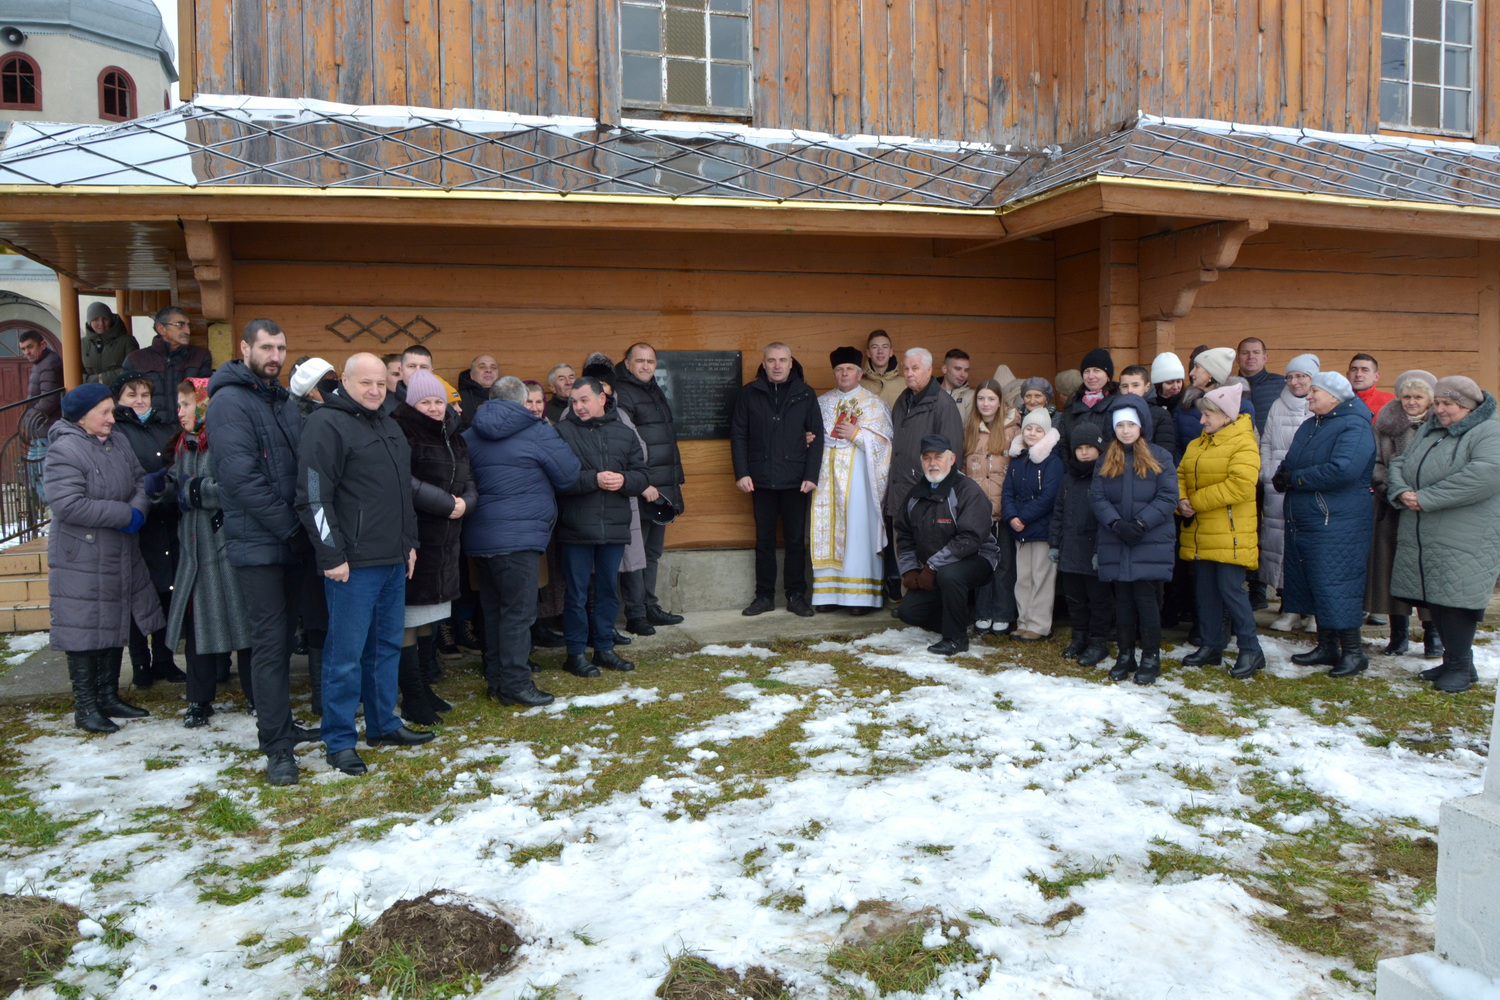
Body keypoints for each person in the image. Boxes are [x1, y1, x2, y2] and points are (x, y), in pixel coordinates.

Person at [299, 352, 431, 779]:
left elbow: (401, 494)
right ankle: (339, 741)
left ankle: (383, 725)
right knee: (345, 656)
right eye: (365, 384)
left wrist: (409, 543)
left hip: (393, 559)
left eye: (380, 383)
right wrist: (331, 554)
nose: (375, 390)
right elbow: (313, 496)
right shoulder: (327, 424)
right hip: (352, 565)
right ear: (346, 383)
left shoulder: (389, 423)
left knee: (386, 648)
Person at [209, 319, 321, 786]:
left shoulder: (280, 401)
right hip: (259, 545)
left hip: (292, 541)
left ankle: (282, 726)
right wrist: (292, 529)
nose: (275, 355)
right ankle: (276, 747)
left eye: (281, 348)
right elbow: (240, 479)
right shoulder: (229, 401)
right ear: (244, 348)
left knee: (286, 638)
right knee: (271, 646)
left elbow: (300, 468)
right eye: (266, 347)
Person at [44, 383, 162, 733]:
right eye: (105, 412)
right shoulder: (64, 449)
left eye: (112, 411)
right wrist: (125, 516)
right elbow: (68, 504)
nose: (113, 418)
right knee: (83, 629)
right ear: (82, 417)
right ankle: (86, 707)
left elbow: (141, 482)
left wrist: (139, 510)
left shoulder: (118, 442)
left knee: (114, 620)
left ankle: (108, 697)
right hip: (81, 555)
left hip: (118, 551)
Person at [465, 376, 581, 704]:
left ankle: (497, 680)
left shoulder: (468, 434)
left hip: (479, 536)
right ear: (520, 400)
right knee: (518, 613)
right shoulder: (538, 430)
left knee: (493, 611)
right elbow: (569, 475)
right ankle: (516, 685)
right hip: (520, 537)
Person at [1388, 375, 1500, 693]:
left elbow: (1485, 475)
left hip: (1466, 535)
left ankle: (1461, 668)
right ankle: (1456, 662)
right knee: (1437, 597)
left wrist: (1425, 498)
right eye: (1437, 402)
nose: (1440, 409)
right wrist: (1402, 492)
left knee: (1457, 602)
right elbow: (1400, 462)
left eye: (1448, 404)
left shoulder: (1489, 431)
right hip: (1426, 533)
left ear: (1468, 406)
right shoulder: (1432, 428)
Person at [161, 378, 254, 728]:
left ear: (204, 405)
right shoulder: (185, 444)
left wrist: (194, 492)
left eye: (186, 404)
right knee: (198, 629)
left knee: (244, 629)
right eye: (180, 405)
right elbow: (178, 481)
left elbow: (239, 483)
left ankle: (257, 696)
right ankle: (199, 700)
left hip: (227, 547)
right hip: (195, 551)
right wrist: (165, 486)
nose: (180, 411)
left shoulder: (227, 439)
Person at [1275, 372, 1376, 678]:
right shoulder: (1311, 425)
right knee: (1316, 581)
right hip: (1309, 519)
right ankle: (1327, 647)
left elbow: (1343, 470)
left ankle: (1354, 653)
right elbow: (1290, 461)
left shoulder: (1354, 425)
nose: (1309, 396)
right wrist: (1282, 475)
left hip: (1338, 521)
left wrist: (1296, 479)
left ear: (1334, 396)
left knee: (1338, 584)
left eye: (1314, 391)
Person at [392, 369, 476, 724]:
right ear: (412, 403)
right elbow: (403, 482)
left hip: (445, 543)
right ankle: (411, 696)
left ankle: (425, 686)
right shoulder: (401, 431)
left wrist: (467, 503)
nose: (433, 408)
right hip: (416, 538)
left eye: (438, 401)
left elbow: (470, 477)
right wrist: (447, 504)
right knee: (409, 618)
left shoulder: (453, 434)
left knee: (429, 616)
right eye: (425, 401)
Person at [555, 376, 650, 675]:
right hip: (576, 527)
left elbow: (642, 475)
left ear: (602, 399)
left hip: (613, 526)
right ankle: (574, 654)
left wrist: (625, 480)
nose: (579, 406)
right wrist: (592, 480)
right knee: (577, 594)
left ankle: (604, 649)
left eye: (584, 400)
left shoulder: (624, 432)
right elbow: (557, 478)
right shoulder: (562, 432)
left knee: (609, 591)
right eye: (574, 401)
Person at [1177, 383, 1265, 677]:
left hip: (1230, 534)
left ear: (1226, 416)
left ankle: (1251, 650)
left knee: (1232, 591)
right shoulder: (1197, 444)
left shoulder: (1243, 443)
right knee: (1205, 592)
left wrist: (1196, 501)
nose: (1202, 421)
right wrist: (1181, 500)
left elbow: (1241, 486)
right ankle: (1212, 646)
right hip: (1201, 533)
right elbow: (1180, 474)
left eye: (1208, 416)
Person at [1091, 395, 1179, 685]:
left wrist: (1141, 523)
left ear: (1142, 425)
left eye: (1131, 424)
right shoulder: (1106, 458)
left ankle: (1150, 656)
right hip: (1117, 538)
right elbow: (1098, 496)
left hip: (1148, 539)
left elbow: (1168, 496)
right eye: (1120, 425)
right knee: (1124, 601)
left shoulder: (1159, 456)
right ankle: (1125, 654)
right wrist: (1116, 523)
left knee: (1146, 599)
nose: (1126, 430)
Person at [731, 343, 824, 617]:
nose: (777, 365)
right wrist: (742, 472)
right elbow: (738, 436)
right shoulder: (749, 393)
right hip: (760, 480)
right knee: (765, 541)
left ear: (791, 363)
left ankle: (796, 595)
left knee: (796, 541)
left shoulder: (805, 394)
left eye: (782, 360)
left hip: (797, 481)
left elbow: (817, 438)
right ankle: (764, 596)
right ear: (764, 362)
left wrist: (811, 475)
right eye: (772, 360)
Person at [110, 372, 184, 688]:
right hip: (137, 523)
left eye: (145, 395)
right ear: (118, 399)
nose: (140, 401)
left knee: (167, 591)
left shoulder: (166, 427)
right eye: (131, 395)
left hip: (168, 519)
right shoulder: (115, 431)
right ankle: (141, 663)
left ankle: (165, 660)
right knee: (137, 596)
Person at [894, 434, 1001, 654]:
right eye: (927, 458)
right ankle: (961, 618)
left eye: (938, 457)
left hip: (977, 559)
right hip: (936, 567)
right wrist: (909, 570)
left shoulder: (967, 490)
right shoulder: (915, 495)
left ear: (951, 459)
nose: (932, 463)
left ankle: (956, 639)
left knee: (949, 575)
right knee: (908, 613)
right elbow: (904, 536)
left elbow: (970, 538)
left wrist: (933, 566)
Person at [811, 347, 893, 614]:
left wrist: (858, 434)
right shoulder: (821, 403)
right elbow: (809, 435)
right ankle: (828, 595)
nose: (843, 373)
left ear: (860, 374)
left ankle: (861, 597)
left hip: (859, 482)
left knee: (858, 532)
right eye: (838, 369)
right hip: (826, 482)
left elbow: (885, 445)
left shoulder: (875, 404)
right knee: (828, 532)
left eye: (849, 369)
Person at [612, 343, 685, 635]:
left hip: (664, 487)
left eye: (650, 361)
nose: (645, 366)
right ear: (627, 363)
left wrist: (675, 479)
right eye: (639, 361)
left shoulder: (653, 389)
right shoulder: (623, 393)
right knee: (635, 555)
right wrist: (642, 483)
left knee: (652, 553)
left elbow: (665, 439)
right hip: (644, 488)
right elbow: (625, 445)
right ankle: (636, 613)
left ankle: (650, 605)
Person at [1368, 370, 1442, 658]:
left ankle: (1432, 635)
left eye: (1418, 397)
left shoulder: (1440, 424)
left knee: (1426, 572)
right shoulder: (1386, 422)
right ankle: (1397, 634)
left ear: (1430, 400)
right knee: (1390, 570)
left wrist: (1425, 496)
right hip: (1391, 508)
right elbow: (1374, 461)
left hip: (1428, 510)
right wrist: (1391, 489)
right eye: (1407, 397)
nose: (1411, 402)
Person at [1260, 354, 1320, 632]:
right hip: (1279, 487)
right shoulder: (1277, 405)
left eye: (1302, 376)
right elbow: (1268, 442)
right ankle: (1289, 607)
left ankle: (1315, 612)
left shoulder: (1321, 404)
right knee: (1282, 547)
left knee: (1311, 548)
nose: (1295, 382)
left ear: (1313, 378)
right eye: (1290, 376)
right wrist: (1267, 475)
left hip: (1310, 487)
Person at [1051, 424, 1111, 666]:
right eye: (1080, 448)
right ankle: (1079, 637)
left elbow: (1106, 518)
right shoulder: (1068, 479)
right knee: (1074, 597)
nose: (1085, 453)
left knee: (1098, 600)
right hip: (1070, 549)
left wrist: (1100, 550)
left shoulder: (1106, 477)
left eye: (1090, 448)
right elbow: (1059, 512)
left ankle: (1098, 642)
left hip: (1094, 550)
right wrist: (1055, 544)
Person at [963, 379, 1018, 634]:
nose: (986, 404)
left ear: (1000, 401)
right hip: (977, 510)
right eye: (981, 399)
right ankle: (983, 612)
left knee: (1004, 564)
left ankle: (1003, 613)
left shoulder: (1011, 429)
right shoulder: (969, 429)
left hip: (1004, 508)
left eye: (991, 399)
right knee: (982, 562)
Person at [1004, 408, 1063, 640]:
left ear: (1046, 434)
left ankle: (1039, 625)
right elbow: (1008, 491)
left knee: (1042, 578)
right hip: (1020, 530)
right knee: (1023, 578)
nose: (1032, 433)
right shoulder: (1018, 458)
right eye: (1028, 428)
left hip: (1042, 529)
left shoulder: (1052, 461)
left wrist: (1023, 518)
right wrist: (1011, 517)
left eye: (1038, 430)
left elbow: (1050, 497)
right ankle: (1024, 621)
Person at [121, 306, 214, 402]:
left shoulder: (200, 356)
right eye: (180, 325)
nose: (188, 331)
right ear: (161, 329)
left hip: (186, 416)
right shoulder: (136, 359)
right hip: (152, 417)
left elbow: (204, 398)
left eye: (189, 325)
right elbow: (124, 399)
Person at [19, 329, 62, 502]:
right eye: (23, 349)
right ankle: (50, 512)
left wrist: (28, 420)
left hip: (47, 429)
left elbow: (49, 400)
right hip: (40, 429)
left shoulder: (49, 363)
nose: (27, 352)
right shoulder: (41, 363)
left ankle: (54, 513)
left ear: (42, 345)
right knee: (35, 473)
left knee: (45, 476)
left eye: (30, 347)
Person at [1055, 348, 1119, 448]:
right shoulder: (1072, 405)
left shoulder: (1119, 403)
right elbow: (1063, 443)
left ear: (1108, 376)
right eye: (1086, 371)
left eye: (1097, 371)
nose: (1090, 376)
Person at [1116, 363, 1177, 454]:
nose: (1130, 390)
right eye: (1125, 386)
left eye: (1135, 385)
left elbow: (1165, 453)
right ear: (1120, 388)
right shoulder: (1114, 412)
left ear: (1147, 387)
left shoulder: (1161, 415)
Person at [1236, 338, 1286, 430]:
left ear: (1265, 358)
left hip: (1271, 444)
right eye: (1245, 353)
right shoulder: (1227, 387)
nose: (1251, 356)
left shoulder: (1283, 384)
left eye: (1256, 352)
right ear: (1237, 358)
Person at [81, 302, 135, 386]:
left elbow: (132, 368)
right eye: (95, 320)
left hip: (119, 392)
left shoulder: (127, 341)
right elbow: (74, 374)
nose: (101, 324)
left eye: (105, 319)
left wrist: (101, 379)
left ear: (111, 319)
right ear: (89, 322)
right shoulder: (81, 344)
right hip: (90, 394)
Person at [861, 329, 905, 409]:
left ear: (891, 352)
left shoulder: (905, 385)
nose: (880, 351)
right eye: (875, 347)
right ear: (868, 353)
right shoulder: (858, 385)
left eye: (885, 347)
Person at [1348, 354, 1395, 424]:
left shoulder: (1390, 402)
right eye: (1354, 369)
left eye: (1365, 370)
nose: (1358, 374)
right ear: (1347, 375)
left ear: (1376, 376)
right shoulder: (1336, 401)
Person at [456, 354, 499, 427]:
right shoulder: (459, 399)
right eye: (482, 367)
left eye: (493, 367)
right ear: (471, 375)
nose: (488, 370)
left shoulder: (508, 397)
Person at [939, 349, 974, 421]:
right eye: (958, 369)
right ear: (944, 369)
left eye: (966, 370)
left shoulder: (972, 397)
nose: (963, 375)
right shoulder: (929, 393)